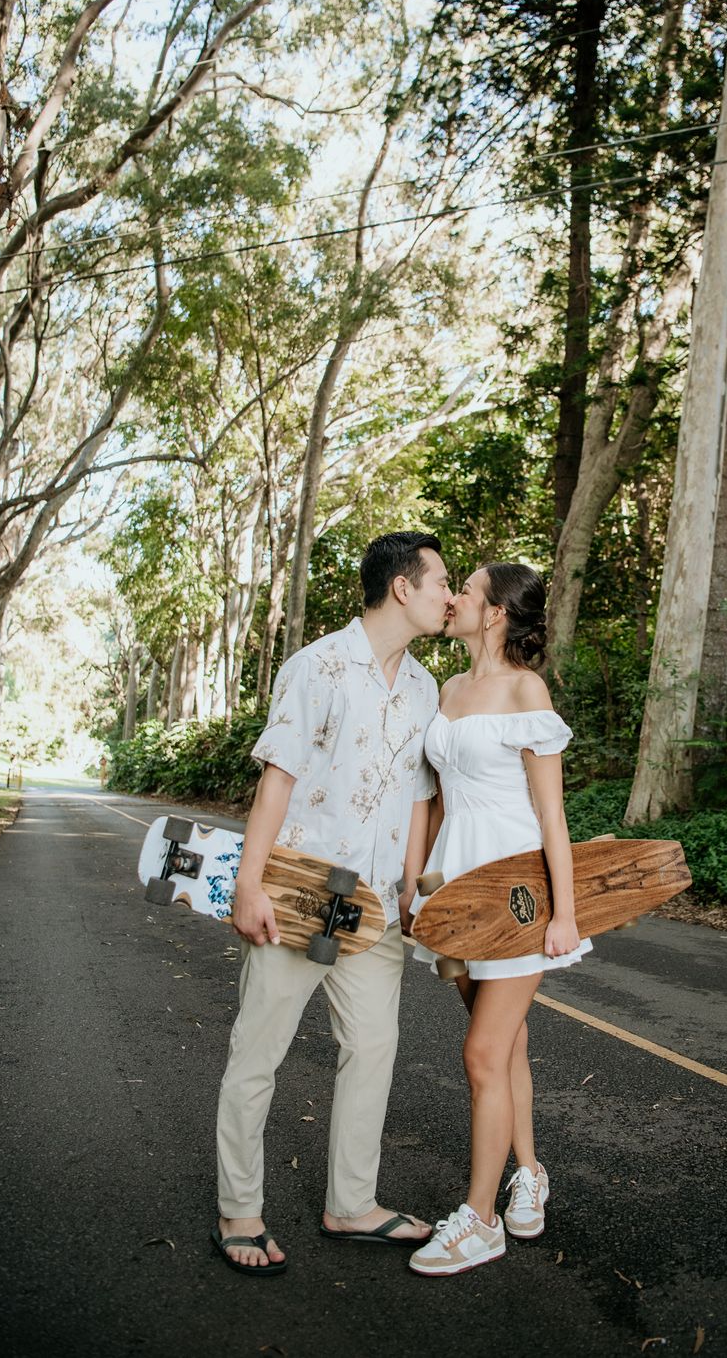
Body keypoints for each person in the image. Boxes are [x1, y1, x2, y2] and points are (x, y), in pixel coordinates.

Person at [212, 531, 454, 1274]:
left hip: (376, 908)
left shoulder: (423, 687)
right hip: (302, 893)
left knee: (374, 1051)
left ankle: (352, 1204)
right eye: (442, 581)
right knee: (258, 1053)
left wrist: (414, 886)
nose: (451, 596)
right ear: (403, 588)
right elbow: (277, 778)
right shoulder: (316, 666)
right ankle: (240, 1211)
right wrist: (249, 885)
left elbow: (418, 795)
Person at [402, 561, 591, 1277]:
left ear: (496, 612)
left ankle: (479, 1221)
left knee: (481, 1053)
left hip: (516, 897)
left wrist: (564, 914)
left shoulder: (525, 690)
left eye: (467, 591)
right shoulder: (448, 689)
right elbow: (441, 803)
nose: (452, 599)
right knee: (503, 1046)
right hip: (453, 896)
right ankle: (531, 1171)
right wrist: (419, 893)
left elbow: (552, 816)